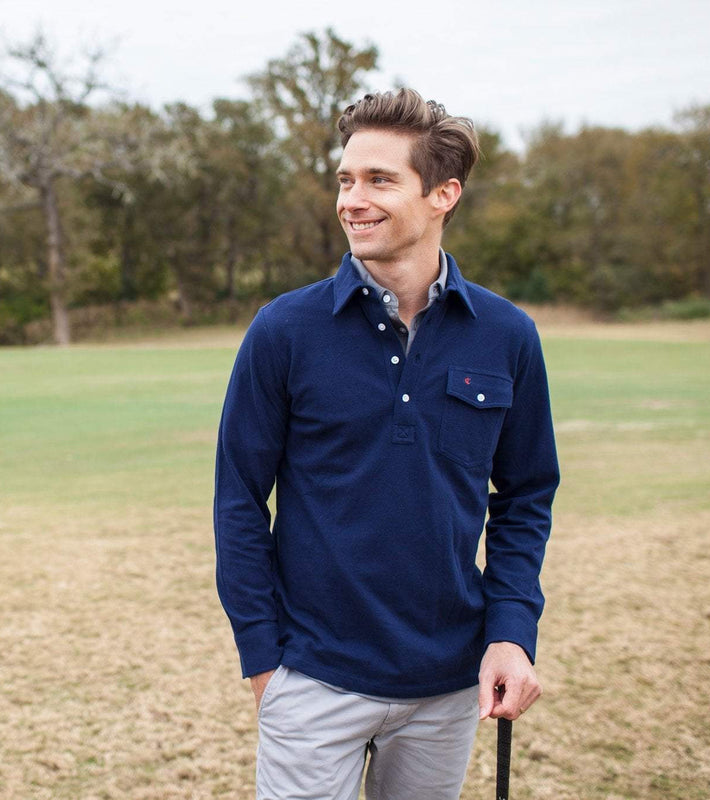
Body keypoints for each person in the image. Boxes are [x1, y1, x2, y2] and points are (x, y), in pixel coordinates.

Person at [213, 88, 560, 800]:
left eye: (378, 179)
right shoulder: (283, 330)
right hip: (310, 679)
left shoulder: (507, 335)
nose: (351, 199)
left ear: (443, 194)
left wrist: (511, 631)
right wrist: (264, 664)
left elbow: (526, 495)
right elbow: (239, 501)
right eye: (344, 179)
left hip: (447, 688)